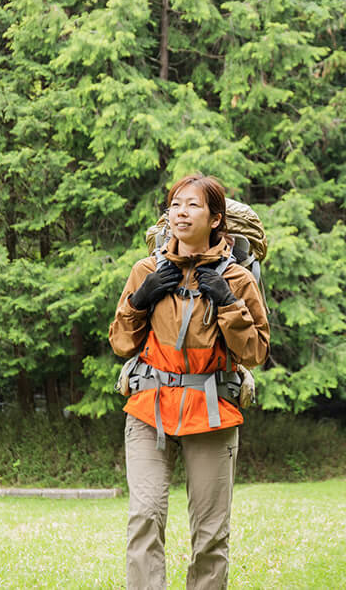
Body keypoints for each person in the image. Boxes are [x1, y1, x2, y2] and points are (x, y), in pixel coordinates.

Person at [109, 173, 270, 590]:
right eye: (175, 205)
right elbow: (121, 344)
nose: (180, 212)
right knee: (145, 516)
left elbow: (255, 353)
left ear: (216, 219)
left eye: (192, 205)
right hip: (150, 409)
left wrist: (229, 304)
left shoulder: (238, 279)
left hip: (213, 411)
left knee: (211, 533)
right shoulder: (146, 270)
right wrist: (139, 300)